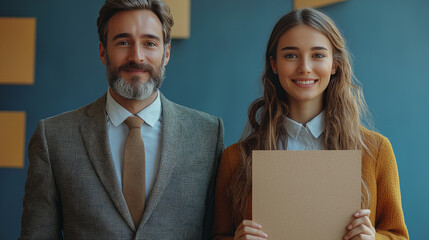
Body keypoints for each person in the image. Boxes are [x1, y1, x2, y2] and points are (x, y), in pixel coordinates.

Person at [20, 0, 224, 239]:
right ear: (102, 52)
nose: (136, 56)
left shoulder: (207, 135)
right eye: (123, 42)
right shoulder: (53, 137)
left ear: (166, 53)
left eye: (149, 43)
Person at [212, 8, 408, 240]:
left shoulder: (375, 151)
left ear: (334, 65)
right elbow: (218, 235)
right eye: (291, 55)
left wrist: (374, 239)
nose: (305, 67)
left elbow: (398, 235)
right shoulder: (235, 158)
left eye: (318, 55)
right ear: (274, 65)